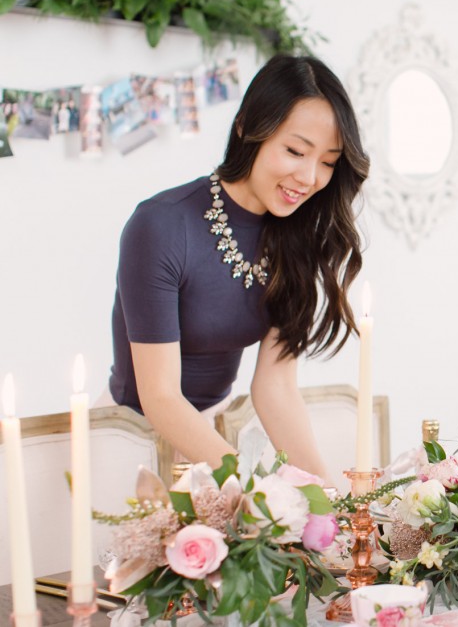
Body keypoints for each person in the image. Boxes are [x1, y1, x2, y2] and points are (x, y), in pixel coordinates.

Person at [108, 55, 369, 481]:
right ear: (247, 126)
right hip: (128, 443)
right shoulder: (161, 225)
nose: (309, 176)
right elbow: (160, 397)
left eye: (327, 161)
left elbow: (276, 389)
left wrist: (328, 495)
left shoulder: (294, 235)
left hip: (213, 439)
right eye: (295, 151)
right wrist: (249, 483)